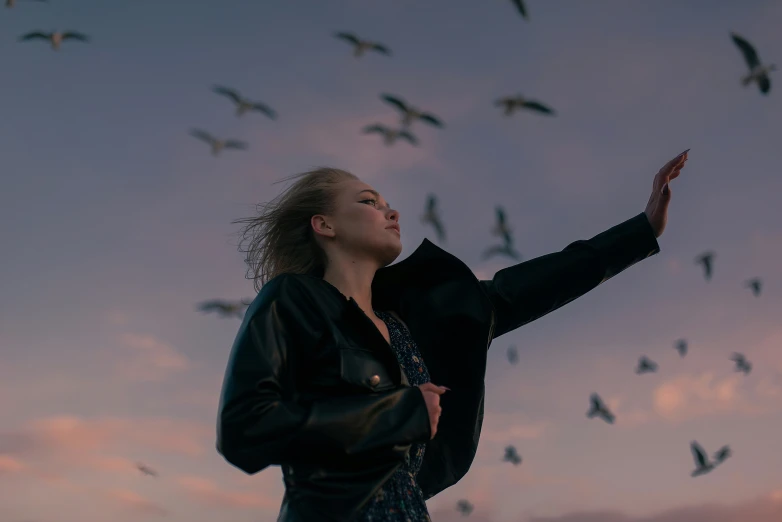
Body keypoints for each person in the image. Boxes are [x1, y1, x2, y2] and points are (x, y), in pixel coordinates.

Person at [216, 150, 689, 522]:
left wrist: (642, 230)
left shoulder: (416, 321)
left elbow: (539, 282)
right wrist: (397, 413)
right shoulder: (293, 300)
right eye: (368, 201)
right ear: (325, 225)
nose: (390, 210)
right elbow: (245, 427)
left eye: (386, 202)